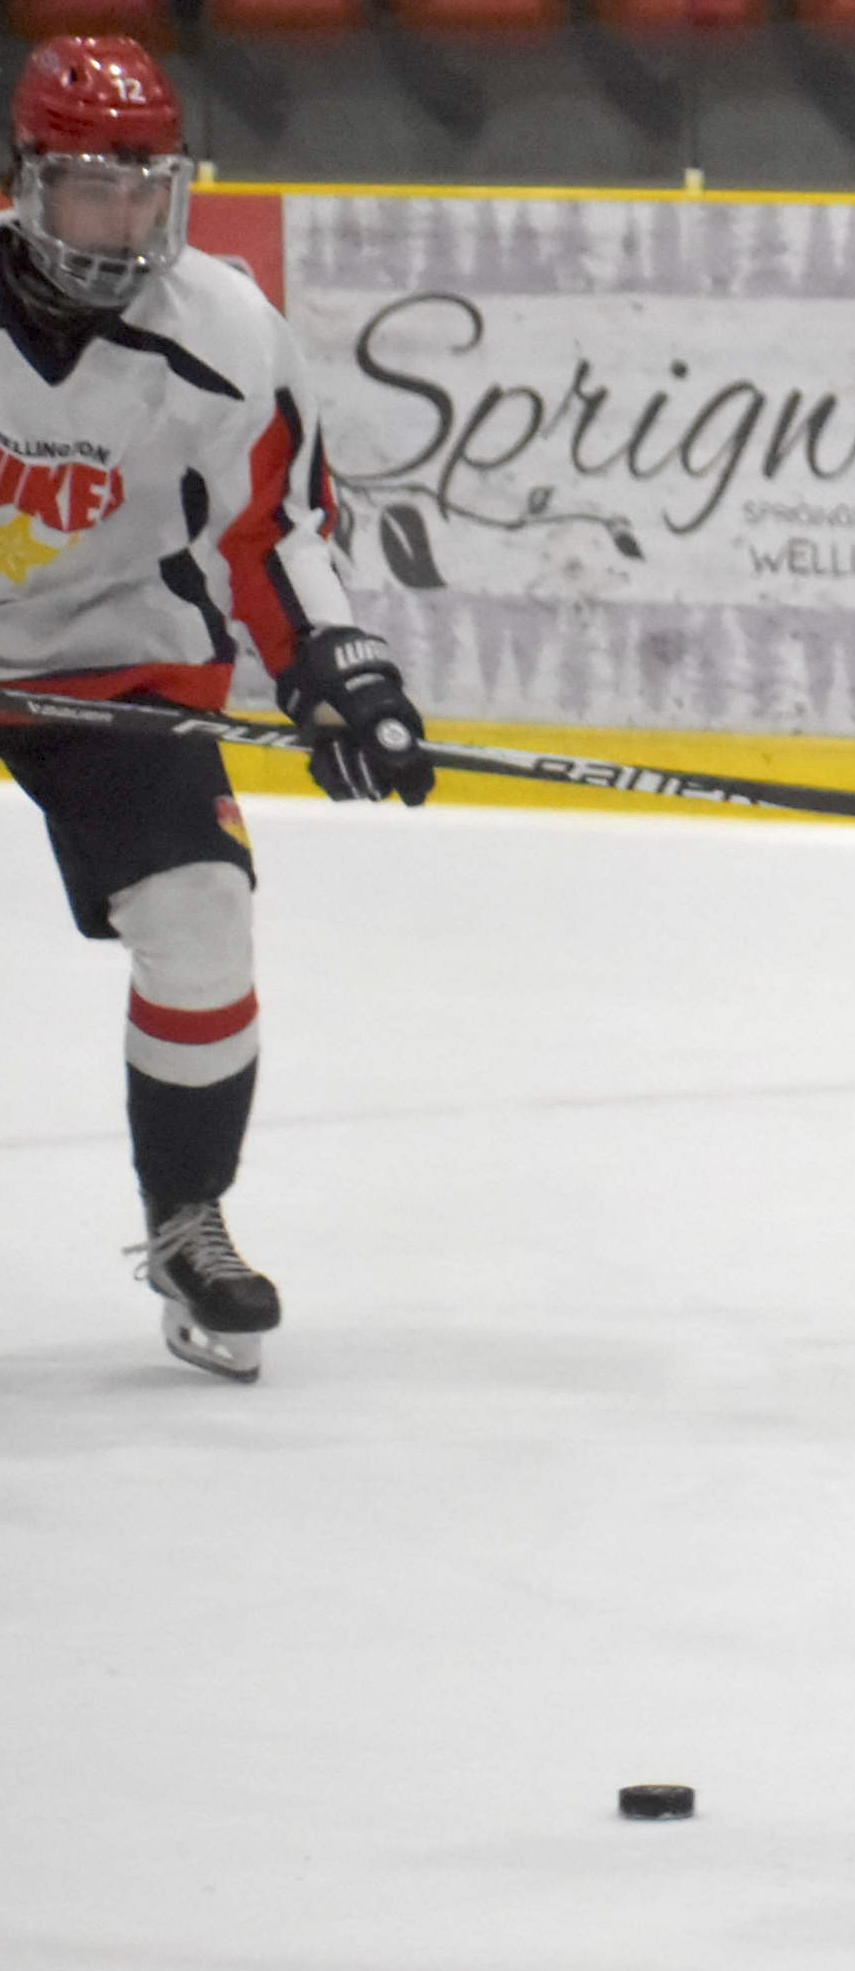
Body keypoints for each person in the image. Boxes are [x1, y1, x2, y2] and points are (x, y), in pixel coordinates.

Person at [0, 39, 434, 1382]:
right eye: (89, 190)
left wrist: (340, 668)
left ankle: (187, 1218)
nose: (122, 221)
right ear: (25, 183)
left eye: (144, 190)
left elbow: (277, 532)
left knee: (201, 923)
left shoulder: (228, 331)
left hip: (119, 670)